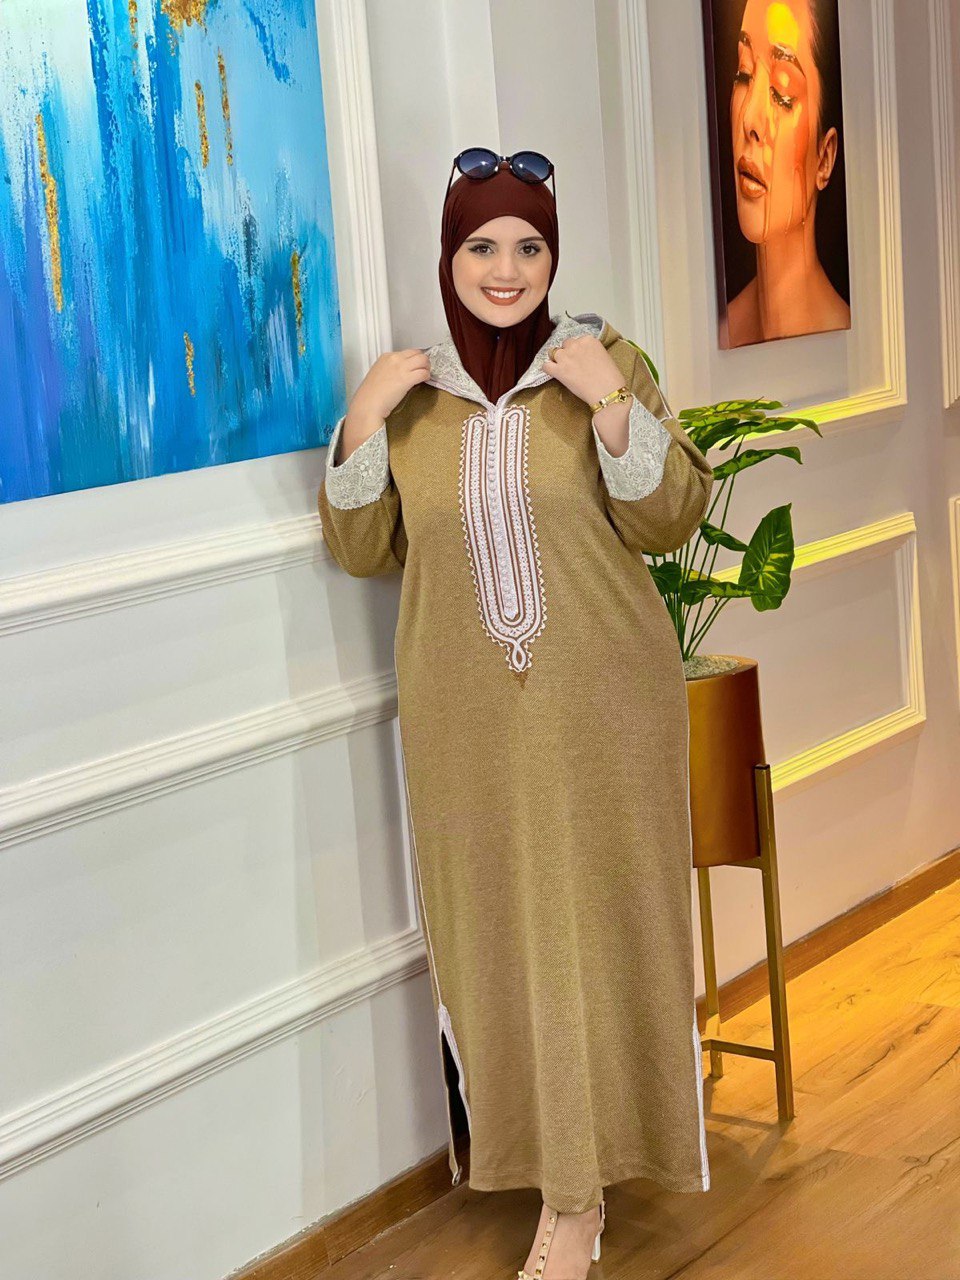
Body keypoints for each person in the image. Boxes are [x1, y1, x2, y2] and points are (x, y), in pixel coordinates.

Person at [317, 149, 714, 1279]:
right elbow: (363, 549)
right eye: (482, 245)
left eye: (529, 246)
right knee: (501, 940)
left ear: (554, 254)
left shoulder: (603, 359)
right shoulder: (413, 395)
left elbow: (673, 517)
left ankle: (581, 1199)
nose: (506, 269)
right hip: (468, 729)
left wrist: (609, 403)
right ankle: (553, 1172)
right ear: (450, 255)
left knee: (608, 928)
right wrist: (362, 418)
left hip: (604, 712)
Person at [726, 0, 850, 346]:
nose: (750, 119)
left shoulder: (861, 344)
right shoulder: (720, 329)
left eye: (781, 94)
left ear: (824, 158)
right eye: (744, 74)